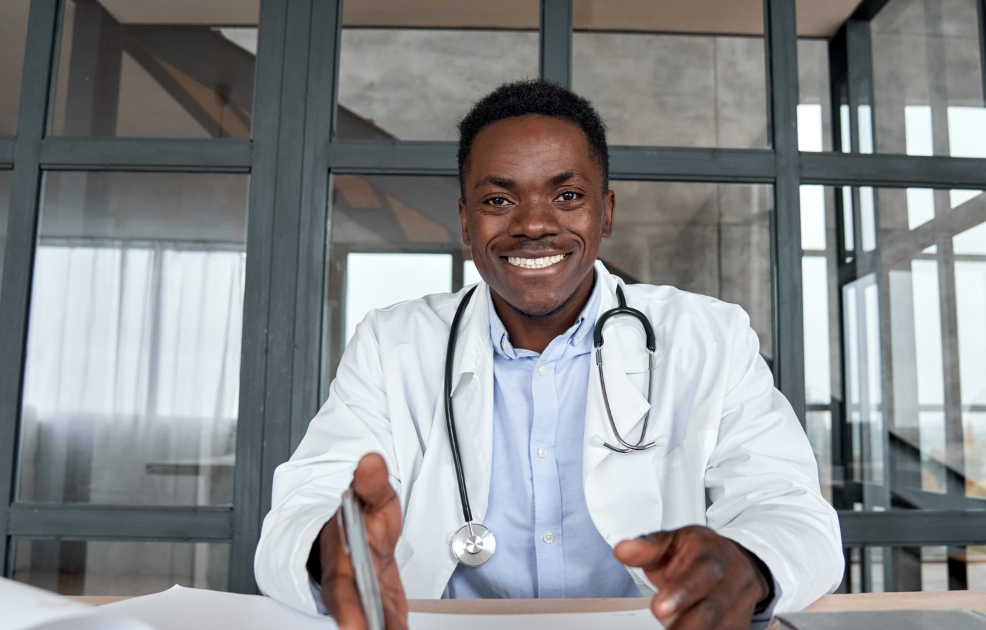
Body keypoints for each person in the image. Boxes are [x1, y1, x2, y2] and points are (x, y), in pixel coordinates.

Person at [255, 80, 843, 630]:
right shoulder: (392, 342)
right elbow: (302, 508)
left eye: (567, 195)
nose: (534, 224)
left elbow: (789, 509)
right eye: (497, 199)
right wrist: (331, 546)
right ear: (465, 222)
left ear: (605, 212)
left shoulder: (709, 335)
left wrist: (749, 564)